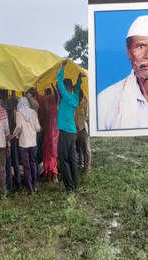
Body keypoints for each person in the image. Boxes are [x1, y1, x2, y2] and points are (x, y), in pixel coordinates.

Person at [57, 60, 84, 191]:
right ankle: (75, 184)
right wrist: (79, 78)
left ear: (67, 88)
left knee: (63, 159)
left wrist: (62, 68)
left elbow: (59, 83)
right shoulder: (74, 97)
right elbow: (78, 88)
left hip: (65, 132)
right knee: (72, 159)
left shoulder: (67, 97)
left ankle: (69, 187)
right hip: (72, 132)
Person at [12, 97, 41, 193]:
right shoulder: (33, 112)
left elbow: (19, 127)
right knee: (33, 163)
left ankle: (30, 188)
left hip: (23, 143)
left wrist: (15, 134)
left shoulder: (19, 112)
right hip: (33, 142)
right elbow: (37, 128)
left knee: (26, 165)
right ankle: (35, 184)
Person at [35, 86, 59, 183]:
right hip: (55, 135)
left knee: (46, 155)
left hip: (46, 133)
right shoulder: (56, 108)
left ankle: (48, 175)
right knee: (53, 154)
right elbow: (58, 95)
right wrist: (55, 86)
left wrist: (36, 88)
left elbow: (38, 97)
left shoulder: (45, 104)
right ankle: (54, 174)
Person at [0, 90, 21, 192]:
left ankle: (9, 186)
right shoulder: (12, 103)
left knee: (7, 163)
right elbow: (14, 98)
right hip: (13, 136)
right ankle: (18, 183)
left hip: (5, 137)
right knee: (15, 161)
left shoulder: (1, 106)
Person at [75, 92, 91, 173]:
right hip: (75, 130)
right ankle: (80, 164)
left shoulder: (85, 103)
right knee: (79, 148)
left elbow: (87, 117)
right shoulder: (74, 102)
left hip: (83, 129)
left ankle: (87, 168)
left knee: (86, 150)